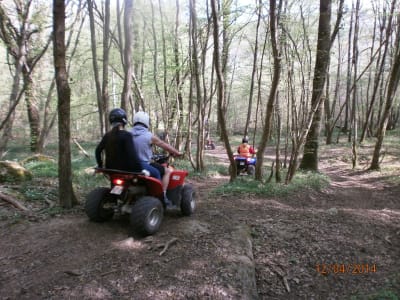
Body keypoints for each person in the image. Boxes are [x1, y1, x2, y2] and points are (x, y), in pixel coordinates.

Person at [130, 111, 180, 208]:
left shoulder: (127, 133)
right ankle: (162, 196)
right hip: (143, 165)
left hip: (127, 165)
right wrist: (176, 152)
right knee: (167, 171)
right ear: (146, 122)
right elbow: (164, 145)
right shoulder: (149, 136)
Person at [95, 108, 142, 173]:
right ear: (124, 120)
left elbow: (97, 151)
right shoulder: (127, 135)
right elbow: (132, 156)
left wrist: (100, 165)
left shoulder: (107, 135)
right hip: (126, 171)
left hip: (111, 171)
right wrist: (140, 170)